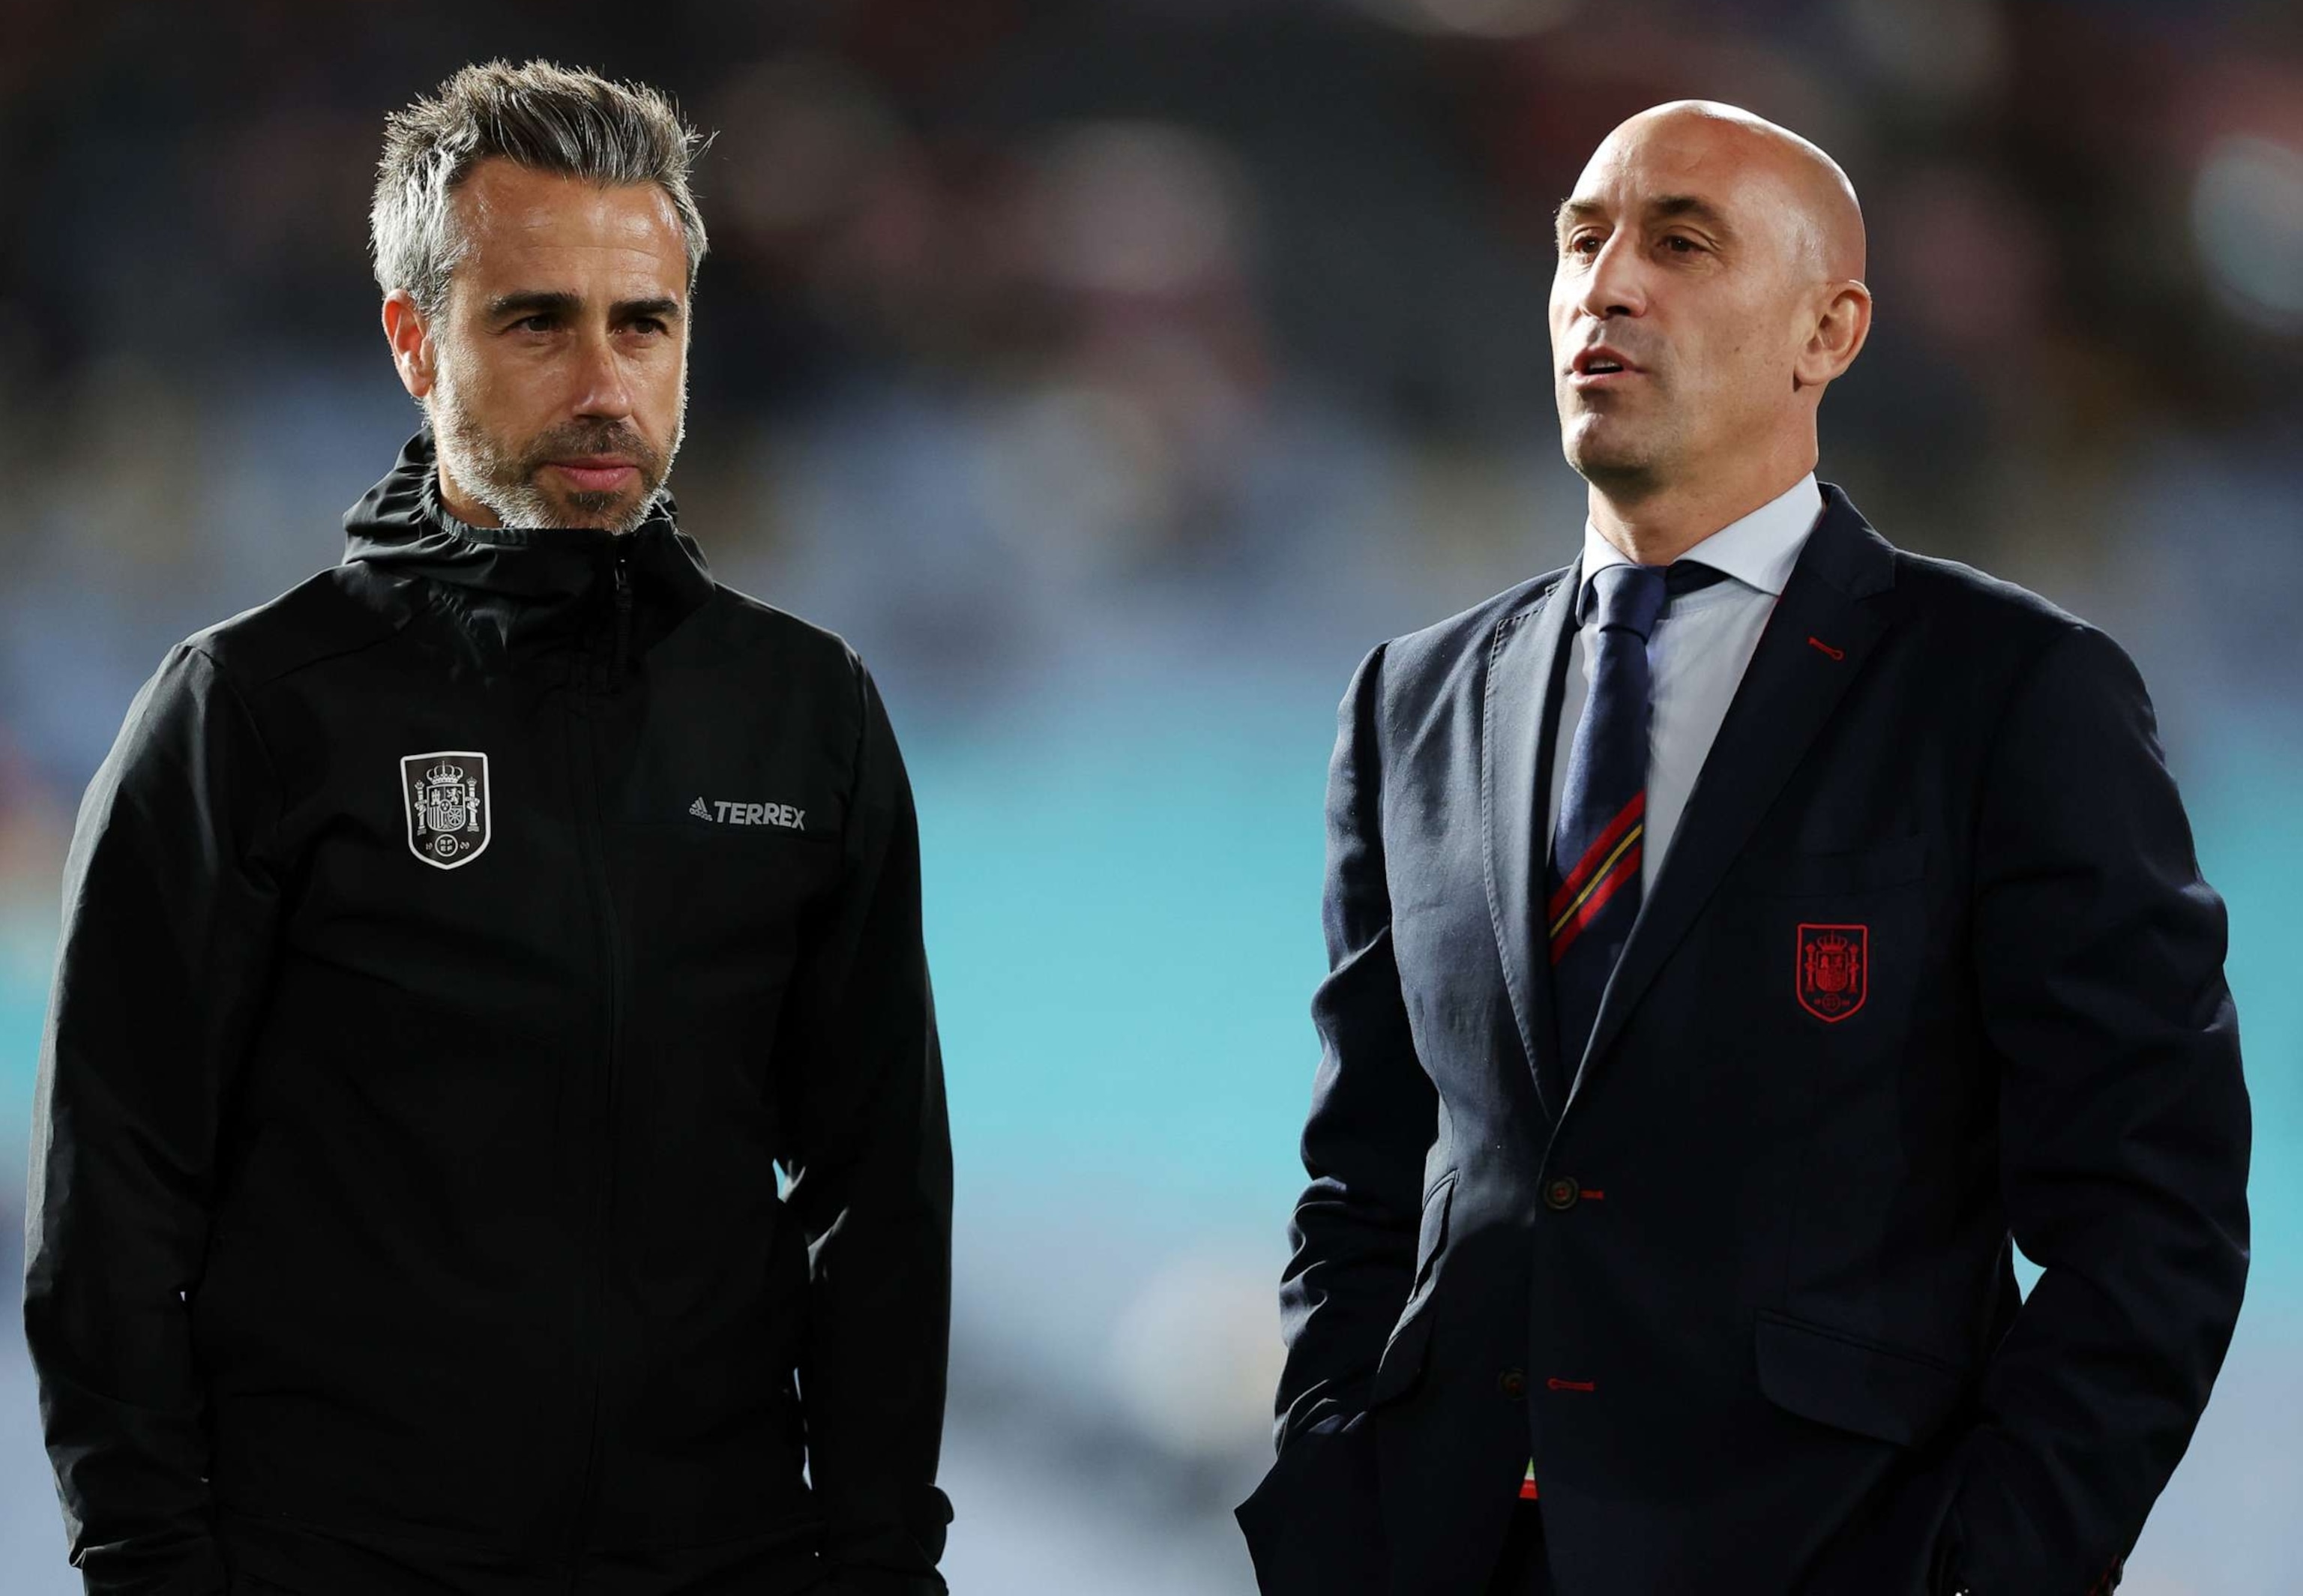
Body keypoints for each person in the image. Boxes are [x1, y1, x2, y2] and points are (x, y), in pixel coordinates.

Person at [1235, 100, 2249, 1596]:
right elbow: (1368, 1182)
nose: (1610, 284)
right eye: (1583, 241)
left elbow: (2153, 1212)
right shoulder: (1413, 699)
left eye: (1682, 241)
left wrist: (1988, 1569)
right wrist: (1332, 1496)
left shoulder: (2007, 690)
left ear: (1827, 332)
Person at [25, 60, 952, 1596]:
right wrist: (146, 1564)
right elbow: (110, 1203)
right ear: (413, 339)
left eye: (641, 323)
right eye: (536, 322)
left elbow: (879, 1191)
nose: (603, 383)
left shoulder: (803, 711)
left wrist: (877, 1560)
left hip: (717, 1556)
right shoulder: (250, 712)